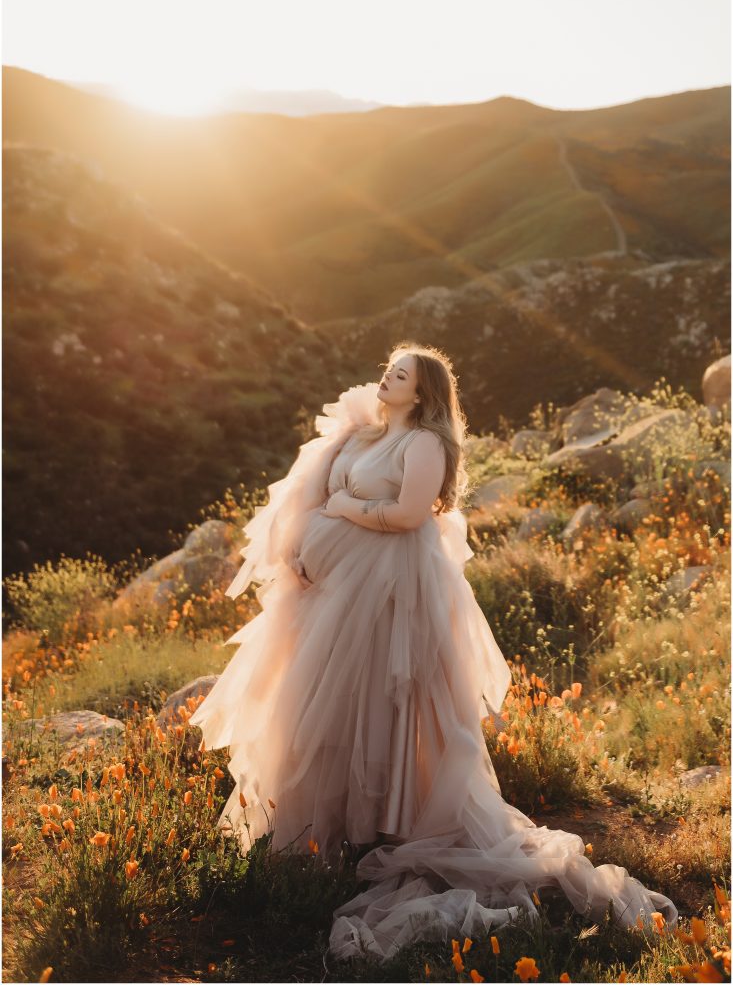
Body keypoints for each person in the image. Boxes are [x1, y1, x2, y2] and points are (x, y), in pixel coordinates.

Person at [189, 341, 678, 964]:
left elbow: (409, 514)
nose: (386, 378)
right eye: (387, 369)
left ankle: (381, 825)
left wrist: (346, 508)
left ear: (423, 392)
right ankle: (327, 832)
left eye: (401, 374)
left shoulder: (424, 444)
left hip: (384, 594)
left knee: (379, 704)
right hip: (335, 594)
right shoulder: (365, 432)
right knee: (319, 704)